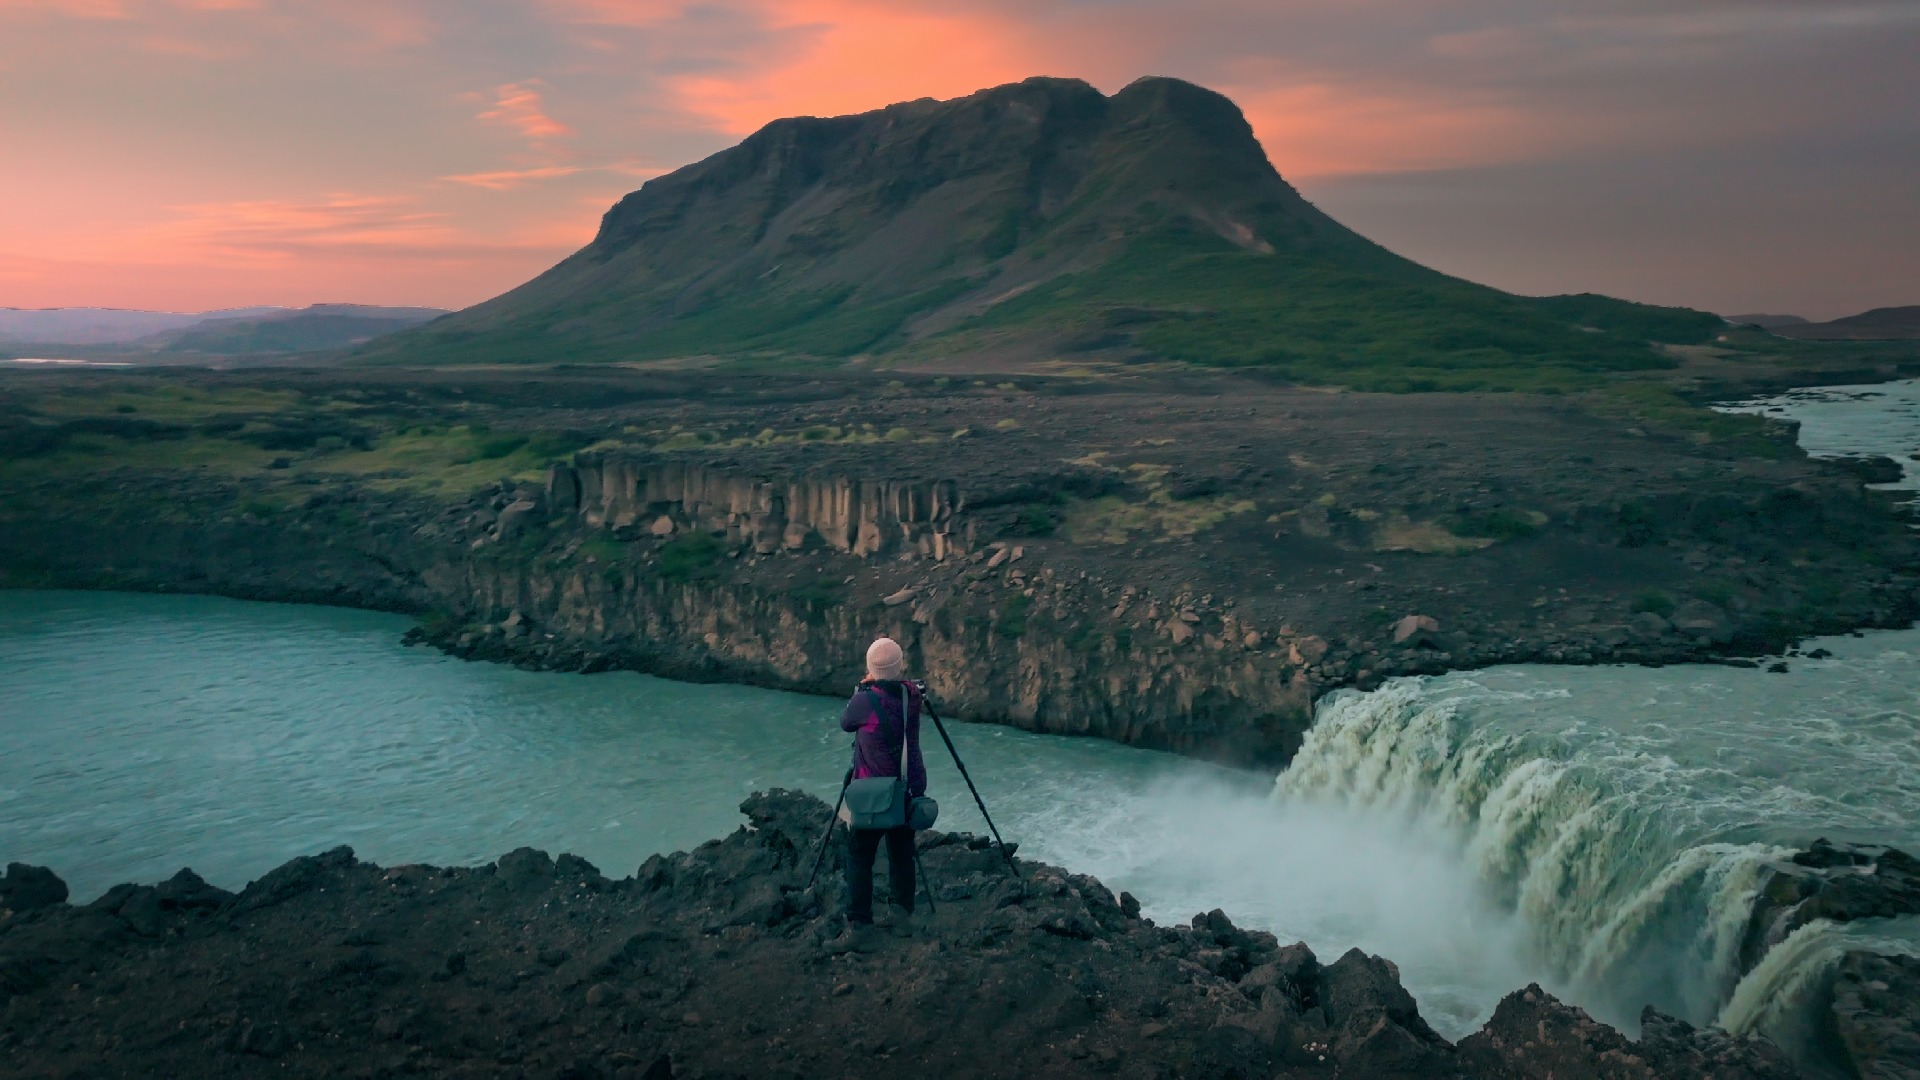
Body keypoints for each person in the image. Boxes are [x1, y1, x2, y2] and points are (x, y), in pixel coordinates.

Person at [831, 636, 927, 950]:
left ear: (870, 669)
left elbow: (847, 723)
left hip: (872, 791)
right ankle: (902, 914)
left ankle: (859, 926)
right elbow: (905, 690)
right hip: (906, 787)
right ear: (900, 668)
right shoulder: (912, 696)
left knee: (859, 856)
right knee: (901, 851)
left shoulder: (864, 701)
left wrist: (863, 689)